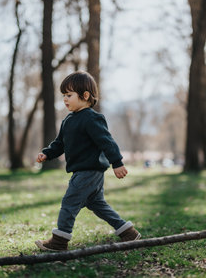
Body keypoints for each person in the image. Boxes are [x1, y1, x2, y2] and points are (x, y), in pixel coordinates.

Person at [35, 71, 141, 251]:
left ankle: (59, 241)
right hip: (83, 172)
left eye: (69, 95)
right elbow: (60, 144)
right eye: (63, 96)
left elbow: (107, 142)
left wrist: (117, 163)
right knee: (98, 205)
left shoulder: (92, 118)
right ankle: (128, 233)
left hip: (89, 171)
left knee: (69, 202)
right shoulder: (68, 120)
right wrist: (47, 153)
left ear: (85, 96)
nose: (65, 99)